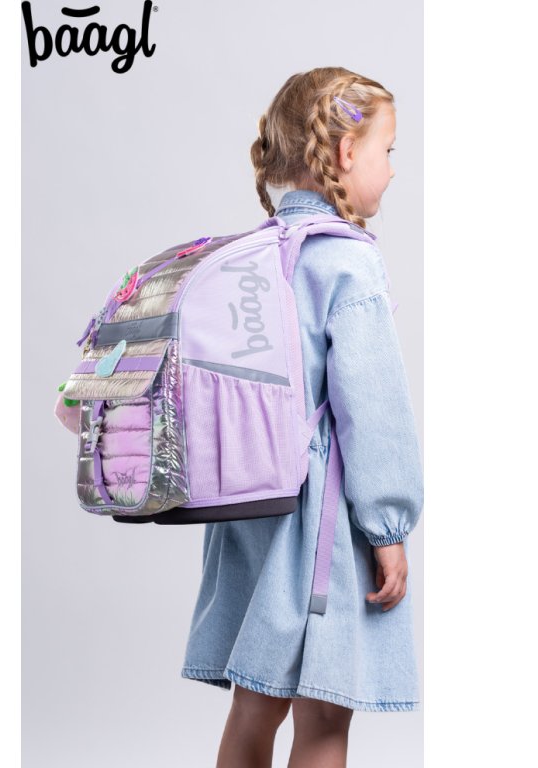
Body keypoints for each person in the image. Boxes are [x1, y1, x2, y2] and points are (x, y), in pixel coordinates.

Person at [179, 67, 424, 768]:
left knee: (254, 703)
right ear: (346, 153)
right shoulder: (347, 263)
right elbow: (373, 407)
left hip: (251, 505)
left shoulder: (245, 259)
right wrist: (388, 528)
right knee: (324, 716)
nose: (392, 170)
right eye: (387, 151)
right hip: (320, 521)